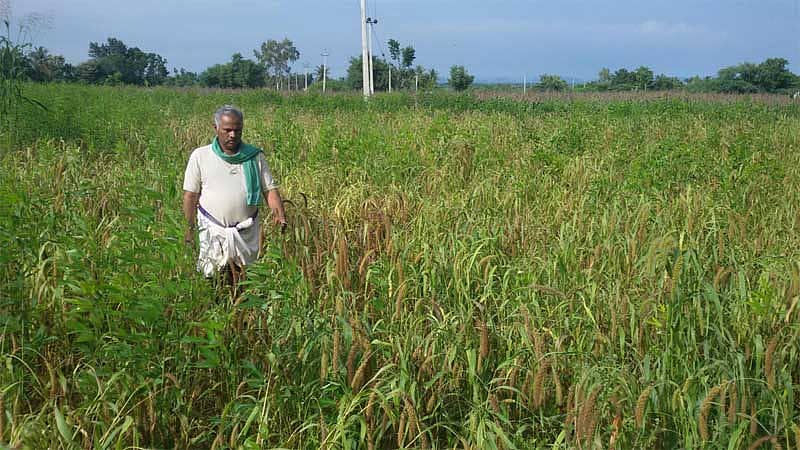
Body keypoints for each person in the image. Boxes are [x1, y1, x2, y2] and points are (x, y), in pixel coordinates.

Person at [182, 105, 287, 280]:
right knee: (212, 279)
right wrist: (189, 229)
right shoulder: (201, 156)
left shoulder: (254, 156)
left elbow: (270, 190)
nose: (232, 135)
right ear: (216, 128)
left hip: (247, 233)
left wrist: (280, 216)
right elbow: (190, 196)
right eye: (227, 130)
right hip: (213, 232)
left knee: (247, 279)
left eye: (237, 130)